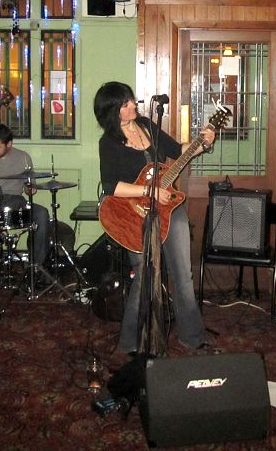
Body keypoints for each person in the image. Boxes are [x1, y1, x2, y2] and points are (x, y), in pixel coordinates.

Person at [93, 82, 214, 354]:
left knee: (183, 273)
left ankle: (192, 336)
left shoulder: (147, 125)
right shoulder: (108, 143)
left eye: (131, 100)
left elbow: (178, 149)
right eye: (125, 103)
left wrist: (202, 144)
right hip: (134, 215)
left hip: (170, 209)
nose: (133, 104)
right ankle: (129, 343)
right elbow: (111, 186)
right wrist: (150, 191)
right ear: (113, 111)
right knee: (144, 276)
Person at [0, 123, 50, 266]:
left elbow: (28, 188)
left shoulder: (23, 158)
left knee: (42, 213)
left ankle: (37, 266)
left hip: (17, 201)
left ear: (9, 144)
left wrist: (30, 189)